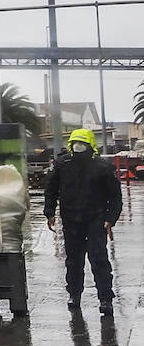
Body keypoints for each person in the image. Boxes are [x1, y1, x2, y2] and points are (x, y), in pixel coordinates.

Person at [45, 129, 122, 315]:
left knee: (99, 259)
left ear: (90, 145)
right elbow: (51, 189)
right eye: (75, 143)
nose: (78, 147)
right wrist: (49, 213)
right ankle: (74, 295)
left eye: (82, 143)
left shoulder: (102, 167)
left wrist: (110, 219)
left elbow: (115, 196)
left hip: (96, 219)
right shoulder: (63, 164)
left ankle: (105, 299)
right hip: (71, 220)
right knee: (73, 260)